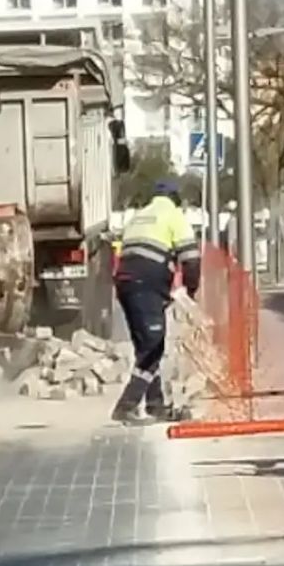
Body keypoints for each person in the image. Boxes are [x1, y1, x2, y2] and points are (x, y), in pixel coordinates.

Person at [112, 179, 202, 423]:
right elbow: (191, 258)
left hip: (125, 284)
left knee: (146, 346)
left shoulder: (138, 216)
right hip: (146, 284)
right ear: (175, 200)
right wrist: (190, 290)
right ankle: (126, 406)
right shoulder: (173, 216)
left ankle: (156, 405)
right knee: (154, 347)